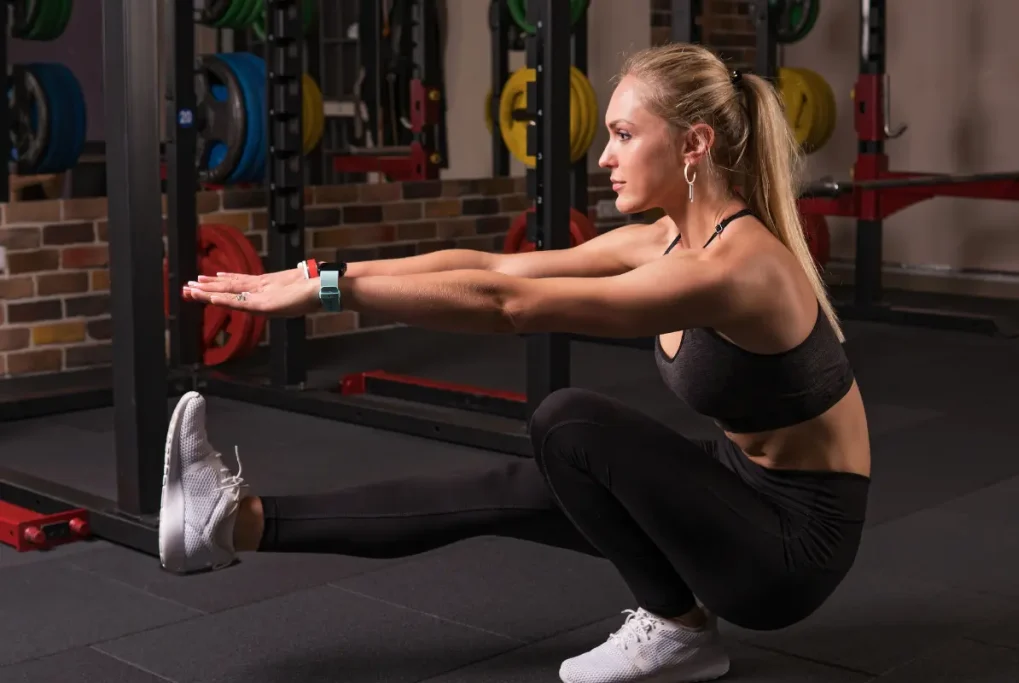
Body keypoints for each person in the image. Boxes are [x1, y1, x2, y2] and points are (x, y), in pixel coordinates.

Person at [160, 43, 871, 683]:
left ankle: (679, 628)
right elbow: (496, 264)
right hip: (738, 495)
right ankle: (228, 522)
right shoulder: (663, 240)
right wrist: (322, 272)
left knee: (570, 424)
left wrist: (328, 293)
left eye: (624, 135)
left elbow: (510, 304)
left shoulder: (738, 269)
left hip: (787, 553)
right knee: (503, 487)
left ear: (694, 143)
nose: (605, 157)